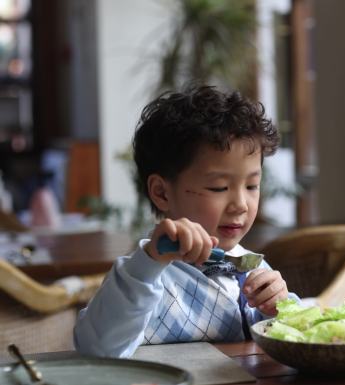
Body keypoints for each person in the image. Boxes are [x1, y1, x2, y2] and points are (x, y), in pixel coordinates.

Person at [74, 86, 296, 358]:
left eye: (252, 185)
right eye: (218, 187)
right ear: (162, 192)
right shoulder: (146, 277)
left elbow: (295, 341)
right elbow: (96, 349)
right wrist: (149, 262)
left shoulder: (252, 266)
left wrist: (281, 308)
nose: (241, 204)